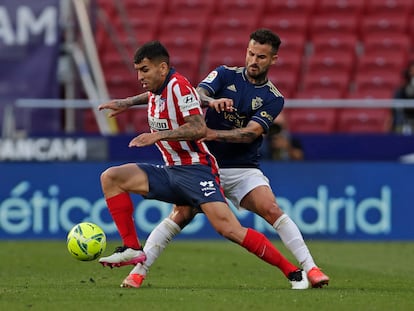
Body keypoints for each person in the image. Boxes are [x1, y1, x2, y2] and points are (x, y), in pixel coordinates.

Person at [107, 29, 329, 289]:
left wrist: (210, 132)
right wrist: (212, 101)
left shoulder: (273, 98)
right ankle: (138, 272)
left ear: (273, 60)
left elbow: (251, 133)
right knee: (179, 216)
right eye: (250, 53)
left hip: (242, 168)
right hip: (202, 165)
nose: (253, 60)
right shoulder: (224, 74)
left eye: (261, 56)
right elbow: (193, 93)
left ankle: (310, 268)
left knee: (270, 209)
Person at [393, 60, 414, 134]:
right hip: (406, 120)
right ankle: (400, 127)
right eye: (411, 71)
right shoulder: (402, 90)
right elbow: (398, 110)